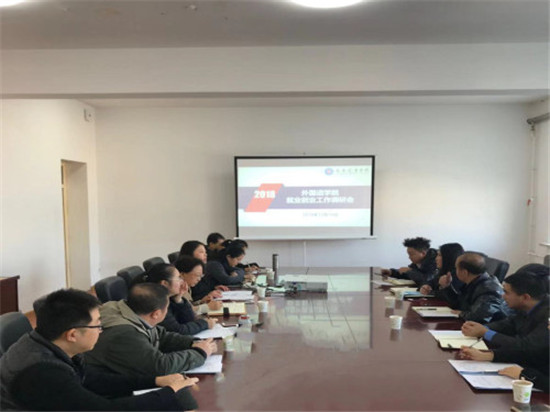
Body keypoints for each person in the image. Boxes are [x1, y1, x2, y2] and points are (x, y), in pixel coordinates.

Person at [0, 289, 199, 411]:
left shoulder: (46, 341)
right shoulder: (43, 372)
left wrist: (155, 381)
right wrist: (169, 393)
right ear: (72, 334)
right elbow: (103, 409)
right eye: (97, 325)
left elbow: (91, 378)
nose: (101, 330)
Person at [84, 283, 217, 378]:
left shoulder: (126, 309)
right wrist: (200, 353)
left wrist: (194, 342)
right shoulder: (125, 333)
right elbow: (160, 366)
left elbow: (161, 335)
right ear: (156, 314)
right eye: (167, 308)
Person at [460, 271, 549, 386]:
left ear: (525, 297)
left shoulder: (547, 316)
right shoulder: (527, 306)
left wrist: (485, 333)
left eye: (506, 292)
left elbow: (526, 347)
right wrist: (482, 330)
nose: (502, 296)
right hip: (526, 367)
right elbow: (509, 324)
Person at [132, 263, 217, 335]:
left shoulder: (170, 297)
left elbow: (189, 320)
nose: (182, 281)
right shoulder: (155, 302)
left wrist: (178, 299)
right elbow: (178, 330)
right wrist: (205, 324)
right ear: (164, 283)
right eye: (178, 278)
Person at [436, 252, 509, 323]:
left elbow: (479, 317)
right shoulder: (473, 282)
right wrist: (447, 287)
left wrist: (461, 313)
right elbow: (458, 304)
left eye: (456, 268)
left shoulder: (489, 289)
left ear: (464, 272)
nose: (455, 271)